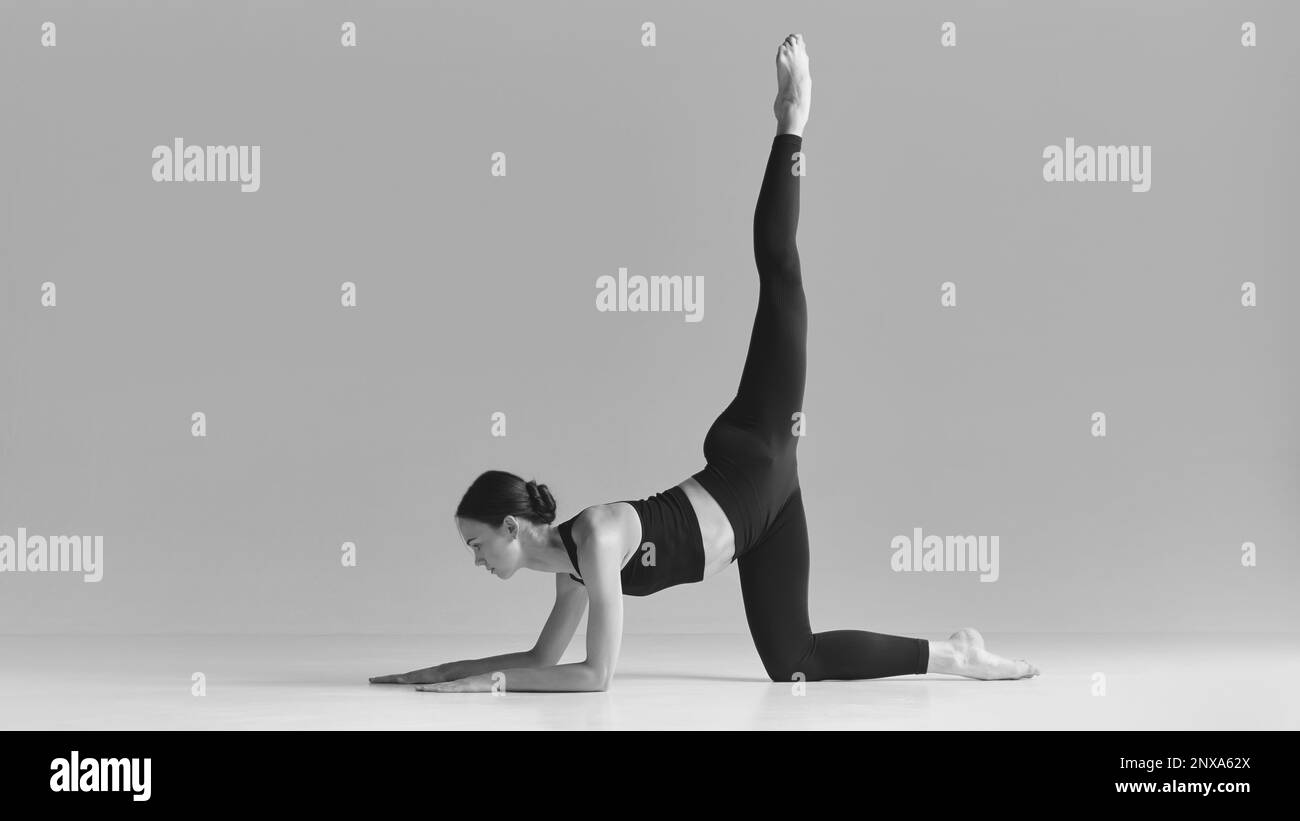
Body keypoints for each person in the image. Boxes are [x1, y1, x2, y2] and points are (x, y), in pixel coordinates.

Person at [372, 35, 1040, 692]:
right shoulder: (569, 566)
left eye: (476, 542)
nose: (476, 558)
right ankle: (956, 654)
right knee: (793, 661)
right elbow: (544, 657)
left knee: (779, 275)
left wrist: (486, 686)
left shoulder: (598, 537)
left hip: (754, 454)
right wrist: (438, 672)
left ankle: (791, 122)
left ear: (511, 527)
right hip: (765, 516)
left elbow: (595, 676)